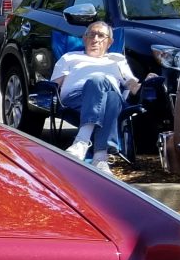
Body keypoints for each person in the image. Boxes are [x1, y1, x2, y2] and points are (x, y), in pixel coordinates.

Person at [50, 21, 154, 177]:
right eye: (91, 34)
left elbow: (132, 85)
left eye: (101, 35)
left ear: (110, 42)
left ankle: (82, 142)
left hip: (111, 99)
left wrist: (147, 81)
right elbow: (54, 85)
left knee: (105, 88)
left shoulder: (117, 59)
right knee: (104, 89)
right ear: (84, 39)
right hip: (76, 98)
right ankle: (100, 157)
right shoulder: (70, 57)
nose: (95, 39)